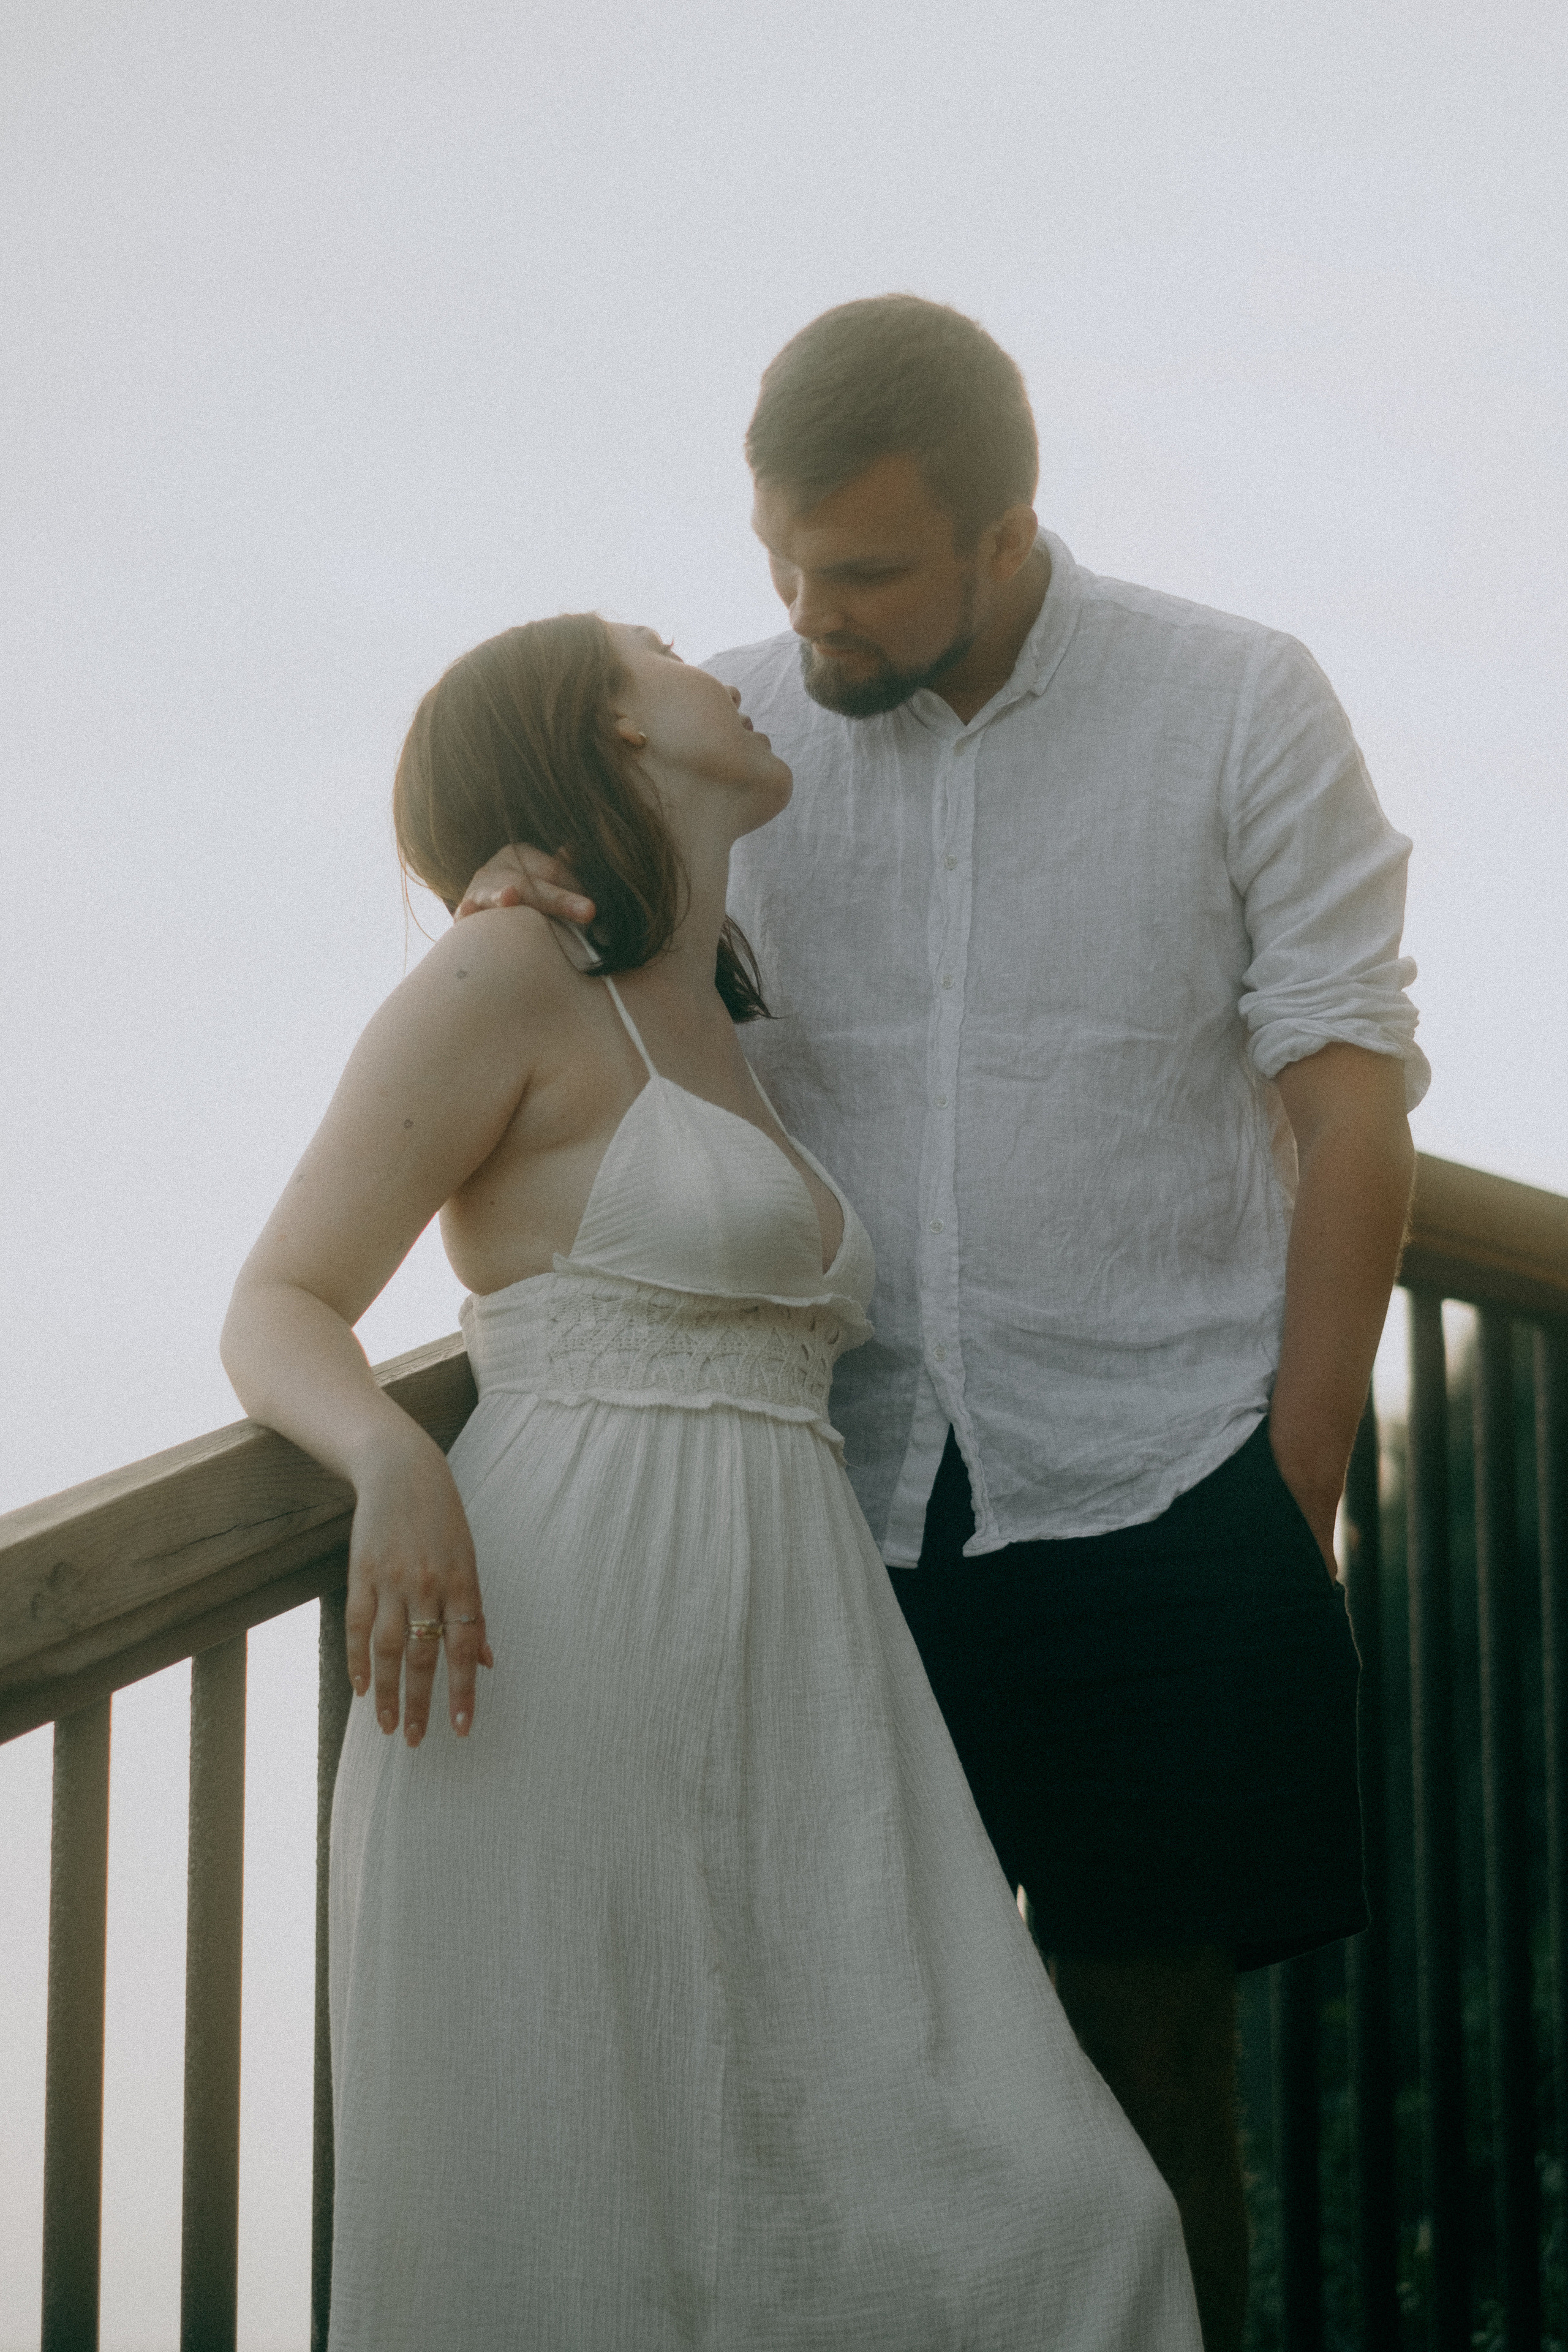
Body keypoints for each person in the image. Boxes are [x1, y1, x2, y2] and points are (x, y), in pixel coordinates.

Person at [459, 296, 1427, 2352]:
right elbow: (564, 986)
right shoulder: (712, 730)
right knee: (807, 2074)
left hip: (1164, 1481)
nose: (810, 616)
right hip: (821, 1508)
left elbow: (1347, 1089)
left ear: (1006, 532)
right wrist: (514, 890)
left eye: (867, 572)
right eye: (783, 563)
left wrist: (1295, 1484)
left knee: (1154, 2093)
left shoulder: (1238, 698)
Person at [221, 612, 1202, 2350]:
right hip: (555, 1647)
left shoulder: (719, 1012)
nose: (723, 671)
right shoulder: (500, 973)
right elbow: (280, 1297)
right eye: (670, 650)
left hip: (798, 1676)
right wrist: (386, 1455)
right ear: (602, 728)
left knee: (1053, 2206)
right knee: (590, 2201)